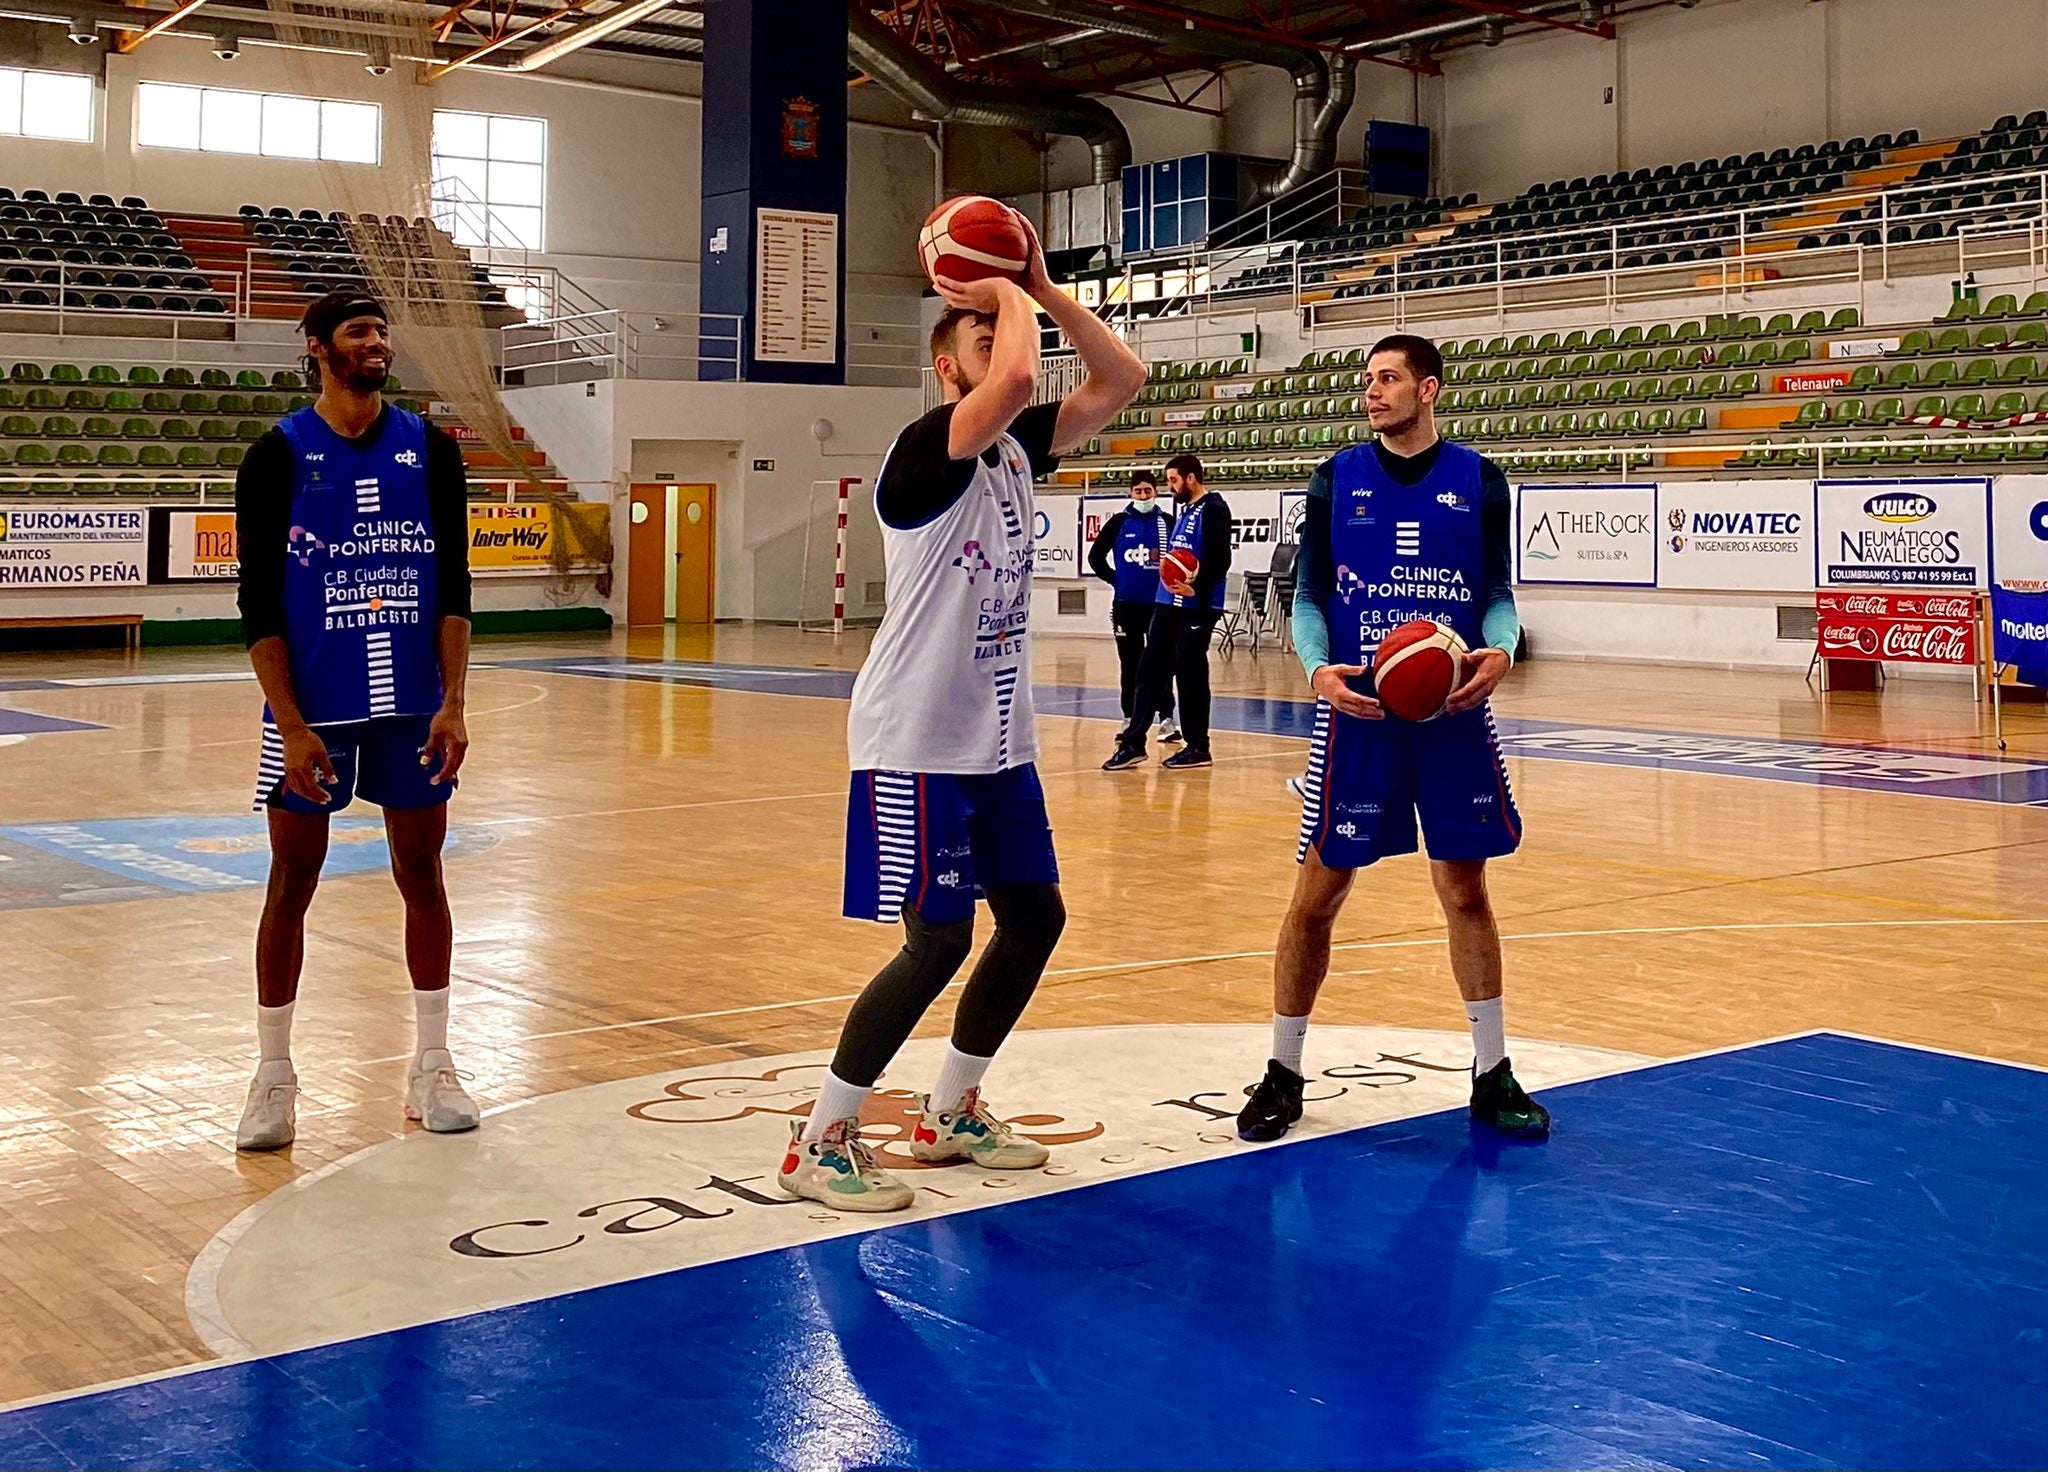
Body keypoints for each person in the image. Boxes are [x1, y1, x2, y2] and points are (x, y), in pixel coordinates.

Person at [777, 219, 1146, 1212]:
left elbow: (1119, 379)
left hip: (996, 740)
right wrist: (1004, 292)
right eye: (977, 334)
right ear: (947, 366)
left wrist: (1038, 281)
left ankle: (948, 1111)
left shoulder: (1015, 455)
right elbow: (1019, 381)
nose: (1002, 338)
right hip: (914, 739)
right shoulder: (922, 449)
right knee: (935, 939)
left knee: (1034, 917)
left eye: (1000, 329)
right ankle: (820, 1139)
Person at [1235, 332, 1550, 1144]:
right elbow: (1308, 597)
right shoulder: (1334, 478)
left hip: (1450, 715)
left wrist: (1502, 648)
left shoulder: (1479, 479)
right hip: (1360, 717)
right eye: (1367, 380)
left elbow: (1496, 594)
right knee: (1317, 897)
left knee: (1466, 892)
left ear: (1429, 390)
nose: (1372, 393)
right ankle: (1283, 1068)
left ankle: (1491, 1072)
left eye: (1387, 379)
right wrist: (1316, 670)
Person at [232, 290, 478, 1152]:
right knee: (291, 882)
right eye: (357, 332)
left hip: (412, 704)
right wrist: (291, 723)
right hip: (316, 712)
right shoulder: (276, 456)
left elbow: (454, 588)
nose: (375, 344)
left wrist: (454, 700)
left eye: (380, 332)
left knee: (424, 872)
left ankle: (433, 1063)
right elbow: (257, 605)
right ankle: (272, 1078)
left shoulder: (433, 450)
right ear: (317, 348)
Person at [1102, 454, 1232, 771]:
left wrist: (1196, 586)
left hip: (1197, 606)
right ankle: (1133, 743)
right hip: (1167, 602)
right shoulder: (1185, 510)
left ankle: (1198, 746)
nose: (1170, 486)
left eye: (1174, 480)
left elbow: (1221, 558)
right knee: (1147, 671)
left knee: (1190, 676)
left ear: (1190, 478)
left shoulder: (1213, 508)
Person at [1085, 468, 1180, 742]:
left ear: (1156, 492)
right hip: (1126, 606)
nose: (1143, 495)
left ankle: (1167, 720)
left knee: (1162, 663)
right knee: (1131, 664)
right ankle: (1129, 718)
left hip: (1160, 605)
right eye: (1138, 491)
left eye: (1147, 491)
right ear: (1130, 493)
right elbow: (1096, 558)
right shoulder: (1118, 522)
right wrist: (1117, 580)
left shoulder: (1167, 522)